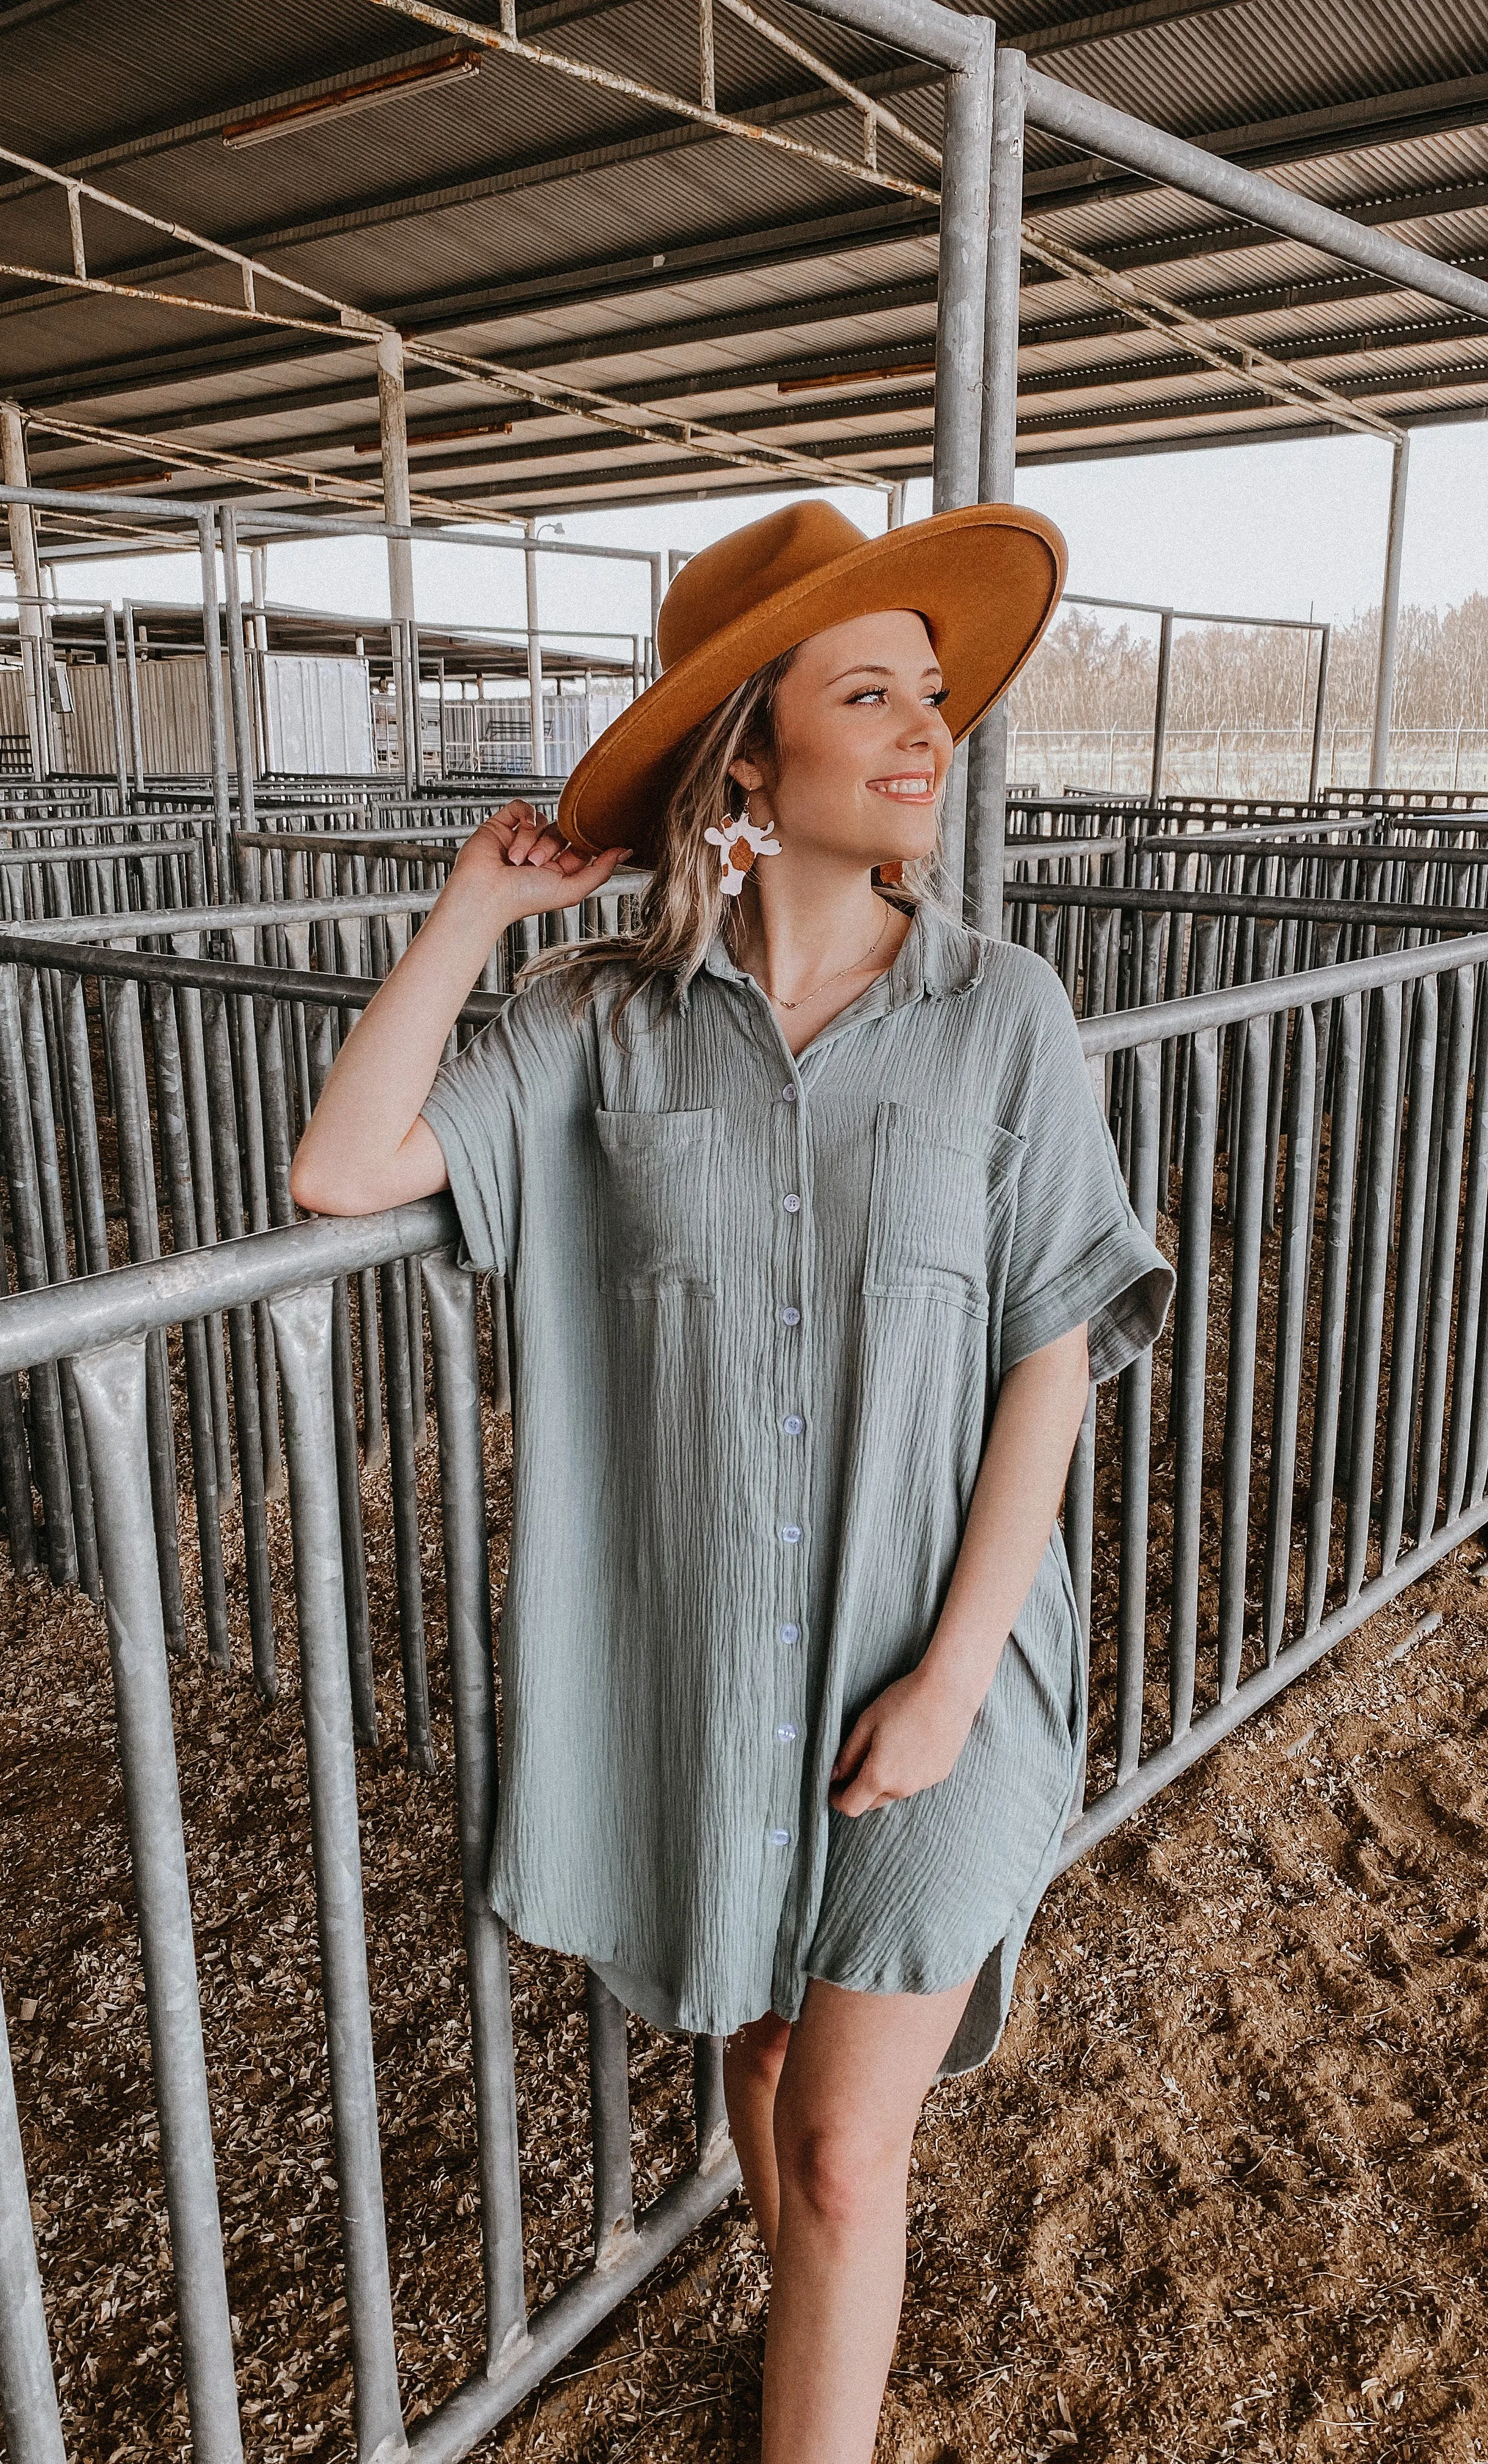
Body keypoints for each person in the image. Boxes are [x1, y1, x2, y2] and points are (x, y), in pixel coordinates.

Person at [290, 499, 1173, 2460]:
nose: (932, 731)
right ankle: (816, 2343)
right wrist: (471, 908)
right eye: (872, 694)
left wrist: (951, 1681)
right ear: (749, 757)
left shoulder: (1001, 1021)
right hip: (721, 1663)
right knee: (764, 2055)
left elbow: (1056, 1352)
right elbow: (343, 1172)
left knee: (851, 2150)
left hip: (947, 1653)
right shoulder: (595, 1030)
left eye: (935, 697)